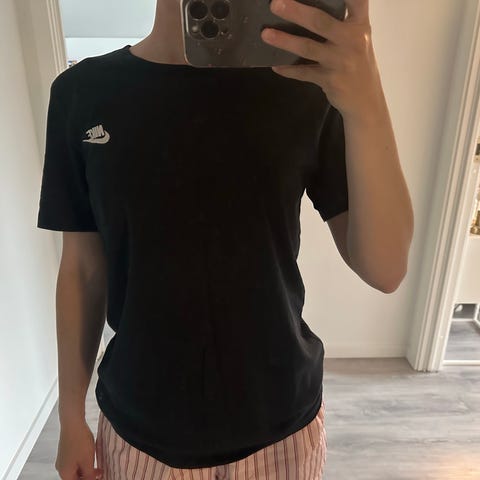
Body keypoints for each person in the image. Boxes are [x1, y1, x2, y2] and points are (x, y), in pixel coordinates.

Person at [37, 0, 413, 478]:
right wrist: (70, 415)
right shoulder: (81, 93)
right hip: (140, 430)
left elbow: (386, 268)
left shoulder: (305, 86)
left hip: (282, 428)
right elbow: (81, 271)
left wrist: (366, 101)